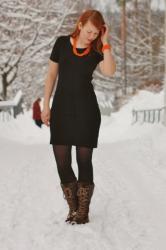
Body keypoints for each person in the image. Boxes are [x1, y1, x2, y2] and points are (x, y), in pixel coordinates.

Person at [41, 9, 116, 224]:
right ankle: (72, 206)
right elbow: (51, 75)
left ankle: (83, 211)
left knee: (84, 160)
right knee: (62, 161)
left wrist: (106, 42)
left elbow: (109, 71)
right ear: (80, 24)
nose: (92, 36)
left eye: (96, 33)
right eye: (90, 31)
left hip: (86, 111)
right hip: (62, 109)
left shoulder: (97, 49)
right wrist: (46, 105)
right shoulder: (62, 43)